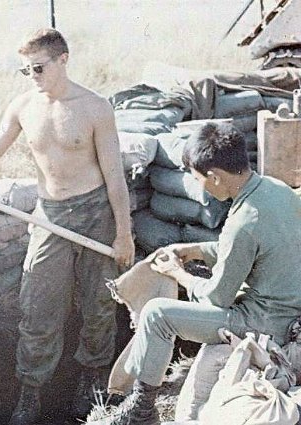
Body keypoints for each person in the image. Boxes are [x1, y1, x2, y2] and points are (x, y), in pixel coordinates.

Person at [0, 28, 135, 424]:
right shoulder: (24, 106)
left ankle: (94, 380)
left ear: (63, 60)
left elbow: (115, 177)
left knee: (99, 303)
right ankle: (30, 393)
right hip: (49, 215)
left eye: (38, 68)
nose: (32, 76)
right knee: (38, 306)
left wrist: (123, 234)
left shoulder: (95, 107)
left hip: (96, 211)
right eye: (25, 70)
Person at [111, 122, 301, 424]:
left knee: (156, 314)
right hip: (290, 310)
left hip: (269, 324)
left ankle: (142, 410)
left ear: (214, 176)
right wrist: (196, 250)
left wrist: (179, 274)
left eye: (200, 179)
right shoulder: (276, 190)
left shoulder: (243, 222)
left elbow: (217, 298)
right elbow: (253, 248)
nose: (201, 186)